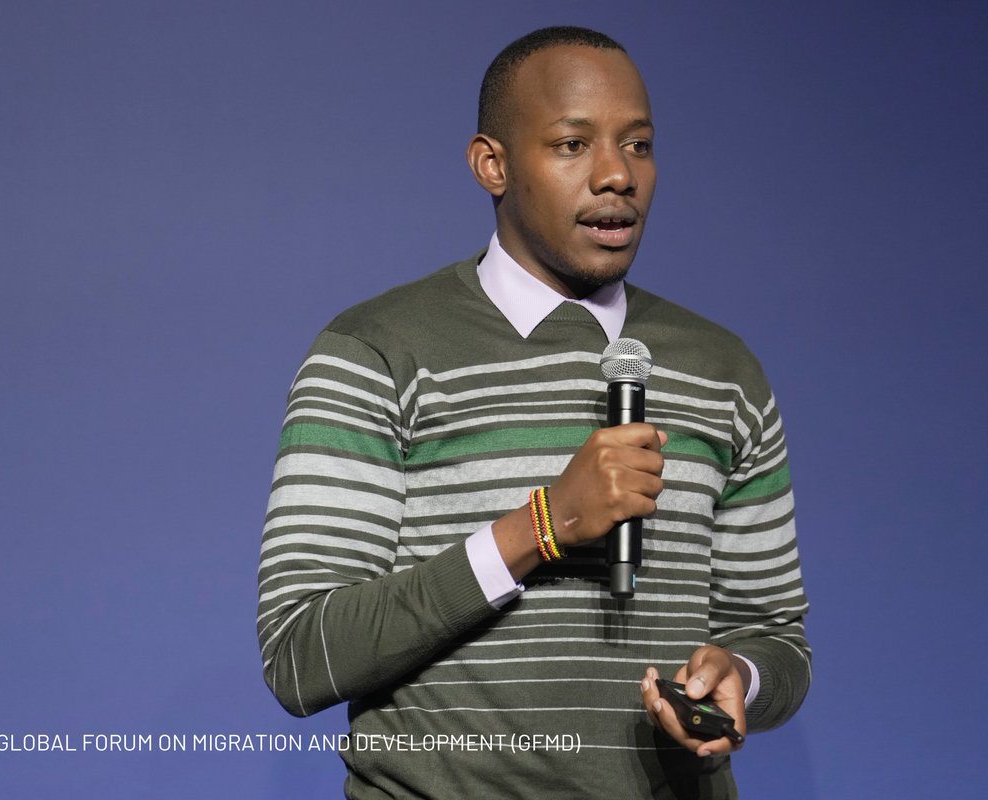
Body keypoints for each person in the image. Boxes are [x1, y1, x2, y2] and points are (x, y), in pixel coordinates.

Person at [257, 25, 810, 799]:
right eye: (572, 144)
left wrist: (739, 676)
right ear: (494, 164)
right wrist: (542, 527)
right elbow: (302, 655)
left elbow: (777, 639)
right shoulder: (375, 352)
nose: (616, 174)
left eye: (639, 145)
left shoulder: (724, 371)